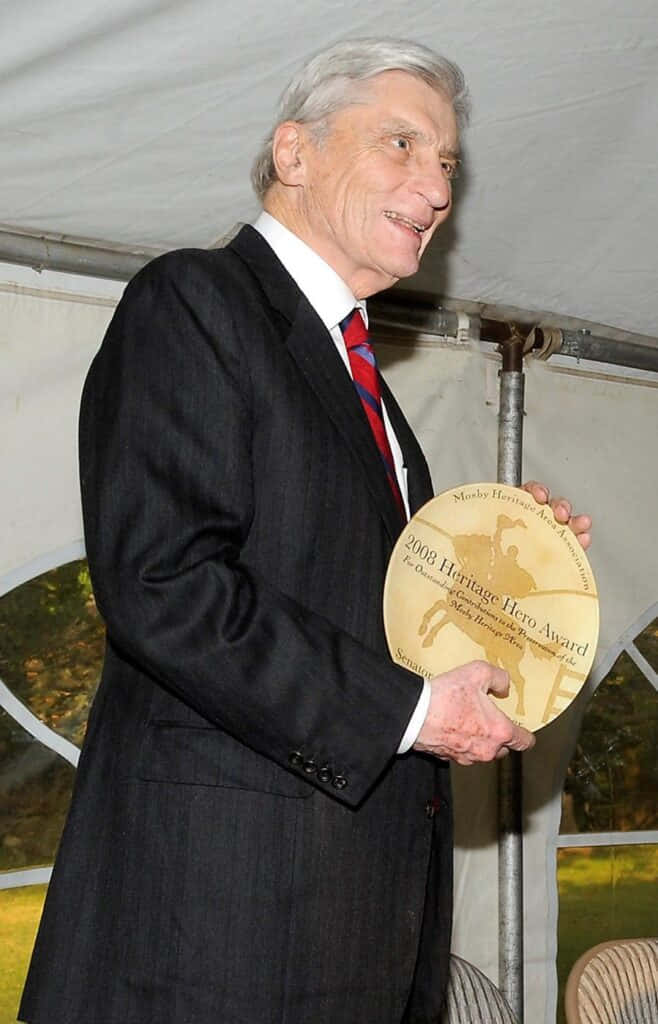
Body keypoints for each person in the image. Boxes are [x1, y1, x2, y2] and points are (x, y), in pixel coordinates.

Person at [19, 38, 592, 1024]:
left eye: (447, 163)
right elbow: (166, 582)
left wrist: (510, 562)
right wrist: (410, 716)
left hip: (361, 935)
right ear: (295, 153)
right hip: (219, 935)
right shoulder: (195, 302)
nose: (434, 185)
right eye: (402, 144)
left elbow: (371, 613)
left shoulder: (367, 389)